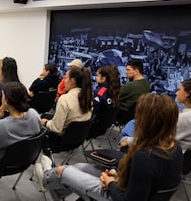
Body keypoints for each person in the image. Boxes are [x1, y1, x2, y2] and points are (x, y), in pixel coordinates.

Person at [36, 93, 183, 201]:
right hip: (125, 185)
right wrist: (117, 175)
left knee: (64, 171)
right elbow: (148, 180)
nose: (135, 119)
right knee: (80, 167)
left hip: (115, 195)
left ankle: (45, 177)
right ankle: (50, 182)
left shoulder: (144, 157)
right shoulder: (174, 147)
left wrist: (111, 183)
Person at [41, 66, 93, 152]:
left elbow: (56, 128)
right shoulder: (88, 98)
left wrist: (46, 122)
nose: (64, 81)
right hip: (78, 138)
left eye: (66, 77)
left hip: (59, 141)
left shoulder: (65, 99)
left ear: (72, 81)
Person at [89, 65, 120, 137]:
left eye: (97, 75)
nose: (95, 77)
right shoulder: (115, 91)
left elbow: (94, 114)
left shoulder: (100, 93)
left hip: (94, 129)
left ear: (103, 79)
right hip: (105, 127)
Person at [175, 79, 191, 153]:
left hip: (182, 159)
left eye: (179, 90)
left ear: (187, 93)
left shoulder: (184, 117)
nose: (176, 93)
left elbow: (167, 140)